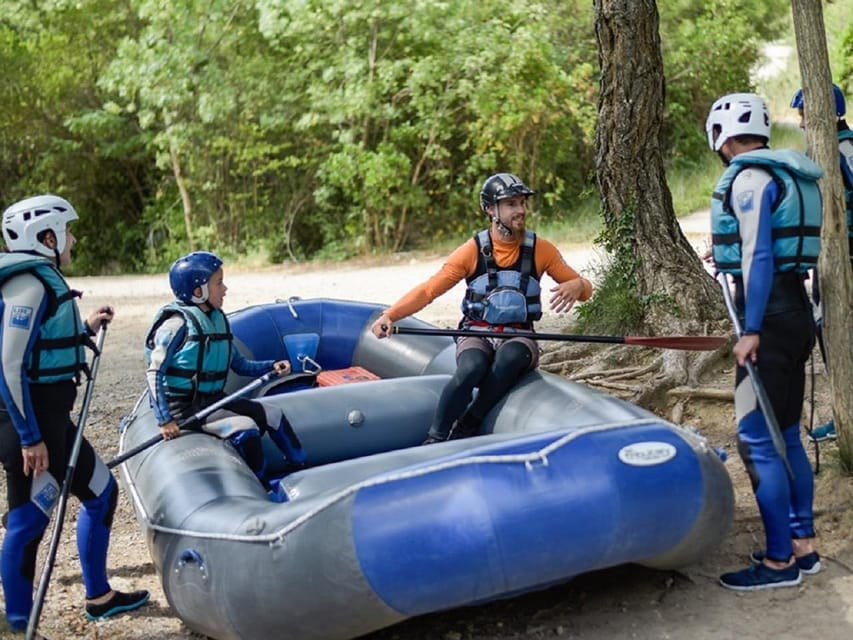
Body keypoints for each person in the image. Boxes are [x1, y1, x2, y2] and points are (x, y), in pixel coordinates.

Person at [0, 195, 149, 632]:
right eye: (68, 231)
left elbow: (38, 348)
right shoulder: (27, 285)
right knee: (27, 523)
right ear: (45, 237)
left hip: (49, 422)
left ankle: (99, 597)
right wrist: (30, 437)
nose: (74, 239)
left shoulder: (40, 282)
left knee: (102, 494)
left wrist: (84, 328)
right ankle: (19, 623)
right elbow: (8, 366)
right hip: (31, 427)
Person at [371, 173, 592, 444]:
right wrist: (390, 315)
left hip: (519, 334)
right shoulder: (472, 251)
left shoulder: (541, 250)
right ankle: (436, 436)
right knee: (472, 367)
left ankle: (468, 423)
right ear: (490, 209)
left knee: (510, 357)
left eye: (522, 203)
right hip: (476, 331)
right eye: (511, 204)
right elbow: (429, 290)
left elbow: (585, 291)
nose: (520, 210)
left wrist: (579, 285)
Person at [706, 93, 822, 590]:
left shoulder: (750, 178)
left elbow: (756, 257)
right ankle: (803, 546)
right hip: (796, 311)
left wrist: (750, 329)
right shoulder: (787, 172)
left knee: (757, 441)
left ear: (721, 137)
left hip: (768, 320)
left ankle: (779, 564)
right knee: (787, 433)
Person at [144, 251, 305, 485]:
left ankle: (299, 469)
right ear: (198, 292)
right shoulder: (176, 325)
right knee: (246, 428)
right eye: (219, 283)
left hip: (213, 400)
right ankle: (259, 485)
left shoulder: (217, 319)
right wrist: (164, 420)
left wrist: (270, 367)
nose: (225, 289)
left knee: (274, 414)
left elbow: (240, 365)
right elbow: (154, 373)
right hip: (185, 410)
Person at [790, 83, 853, 443]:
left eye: (803, 115)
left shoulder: (844, 148)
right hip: (829, 257)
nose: (800, 123)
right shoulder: (825, 150)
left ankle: (846, 417)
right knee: (826, 332)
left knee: (834, 332)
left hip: (847, 257)